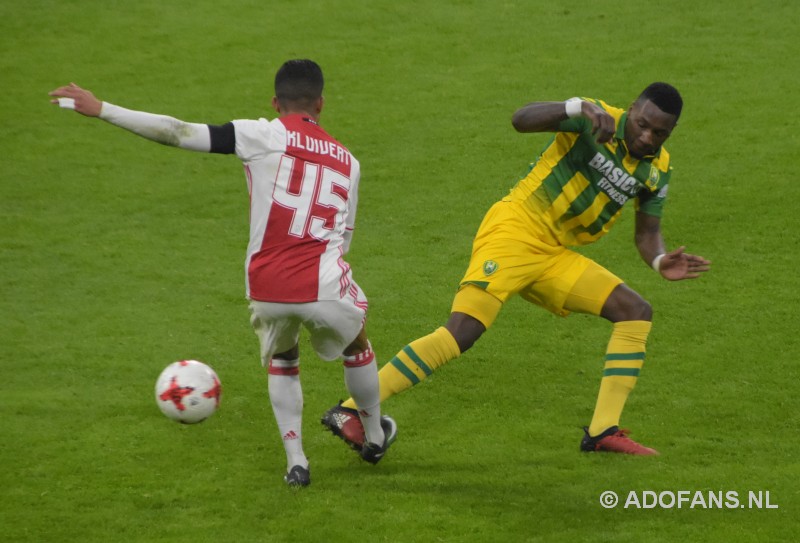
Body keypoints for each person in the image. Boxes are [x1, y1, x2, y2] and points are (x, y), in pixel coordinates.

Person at [50, 59, 397, 486]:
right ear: (321, 103)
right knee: (356, 340)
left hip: (266, 285)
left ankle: (296, 463)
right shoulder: (349, 161)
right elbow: (344, 239)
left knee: (285, 358)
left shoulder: (262, 133)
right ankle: (375, 436)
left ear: (275, 102)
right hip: (324, 281)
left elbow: (177, 131)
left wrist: (102, 108)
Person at [322, 82, 710, 456]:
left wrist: (659, 259)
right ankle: (352, 408)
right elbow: (520, 119)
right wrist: (574, 107)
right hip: (515, 230)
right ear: (633, 109)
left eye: (659, 133)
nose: (647, 137)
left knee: (635, 312)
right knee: (462, 332)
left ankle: (602, 431)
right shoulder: (595, 117)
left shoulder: (658, 171)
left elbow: (647, 233)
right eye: (643, 124)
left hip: (553, 253)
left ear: (670, 133)